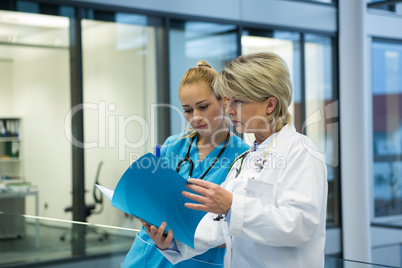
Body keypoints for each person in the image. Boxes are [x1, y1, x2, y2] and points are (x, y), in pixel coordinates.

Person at [143, 52, 328, 268]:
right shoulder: (244, 161)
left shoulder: (301, 152)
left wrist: (232, 206)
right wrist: (171, 243)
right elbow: (218, 226)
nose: (229, 110)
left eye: (238, 101)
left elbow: (300, 225)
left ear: (270, 105)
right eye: (228, 101)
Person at [122, 61, 250, 268]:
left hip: (199, 261)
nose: (195, 117)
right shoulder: (174, 145)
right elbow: (155, 200)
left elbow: (235, 227)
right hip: (149, 255)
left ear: (224, 101)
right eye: (188, 110)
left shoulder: (243, 156)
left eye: (203, 107)